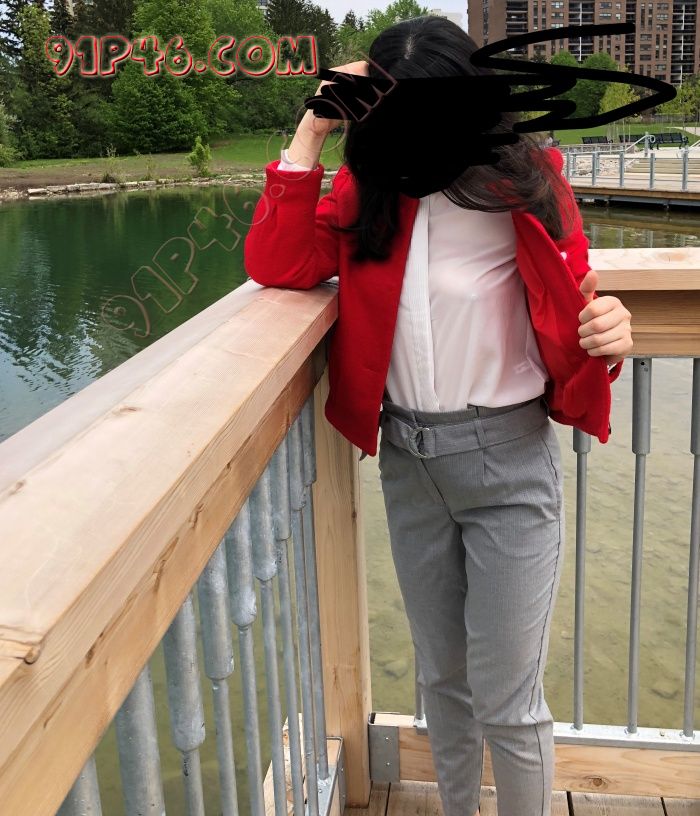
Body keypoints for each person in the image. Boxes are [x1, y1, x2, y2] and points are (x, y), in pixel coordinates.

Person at [244, 15, 633, 816]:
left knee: (508, 698)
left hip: (509, 463)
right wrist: (311, 130)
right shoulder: (369, 193)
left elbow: (578, 308)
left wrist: (611, 333)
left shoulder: (529, 184)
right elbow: (278, 263)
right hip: (409, 464)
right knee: (444, 682)